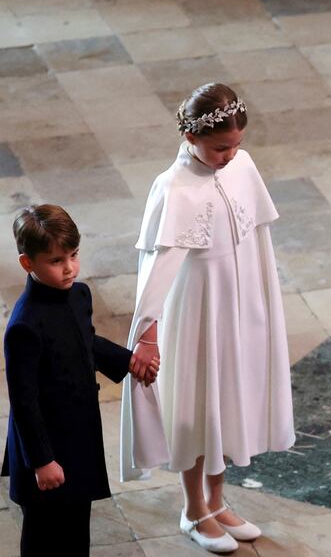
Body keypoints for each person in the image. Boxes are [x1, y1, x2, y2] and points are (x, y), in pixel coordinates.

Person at [119, 83, 295, 553]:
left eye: (237, 144)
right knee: (197, 408)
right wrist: (148, 335)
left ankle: (218, 501)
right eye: (221, 148)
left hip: (238, 306)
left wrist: (261, 302)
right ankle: (193, 508)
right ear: (192, 137)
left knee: (229, 401)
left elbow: (256, 237)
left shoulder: (242, 164)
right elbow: (153, 272)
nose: (231, 155)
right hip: (196, 312)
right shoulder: (171, 187)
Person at [2, 204, 157, 556]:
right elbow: (24, 402)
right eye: (56, 261)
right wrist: (42, 461)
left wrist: (128, 359)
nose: (70, 267)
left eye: (73, 255)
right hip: (45, 449)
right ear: (28, 264)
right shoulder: (25, 325)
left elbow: (84, 340)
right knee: (43, 536)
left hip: (77, 438)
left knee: (75, 530)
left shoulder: (78, 294)